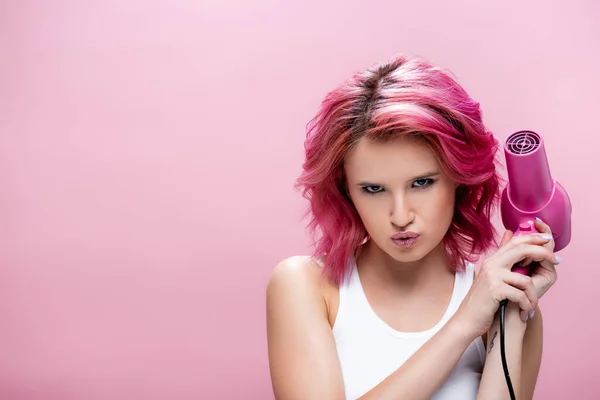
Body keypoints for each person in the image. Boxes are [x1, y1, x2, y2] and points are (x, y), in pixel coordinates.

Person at [266, 54, 560, 400]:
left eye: (421, 183)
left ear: (458, 178)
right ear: (347, 191)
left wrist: (510, 318)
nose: (400, 216)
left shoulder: (504, 306)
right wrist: (463, 325)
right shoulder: (307, 287)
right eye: (373, 189)